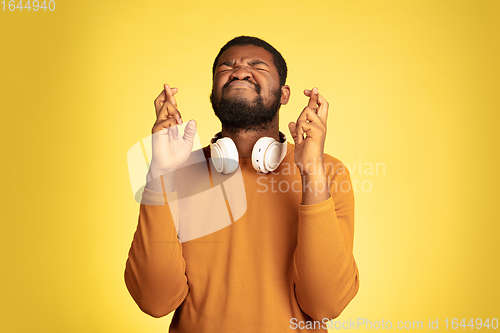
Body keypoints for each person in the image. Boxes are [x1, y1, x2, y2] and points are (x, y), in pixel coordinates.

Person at [125, 36, 359, 332]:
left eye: (256, 65)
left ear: (284, 94)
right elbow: (154, 301)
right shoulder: (176, 174)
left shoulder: (328, 173)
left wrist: (311, 171)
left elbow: (325, 304)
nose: (238, 71)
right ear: (214, 92)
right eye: (227, 67)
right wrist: (159, 175)